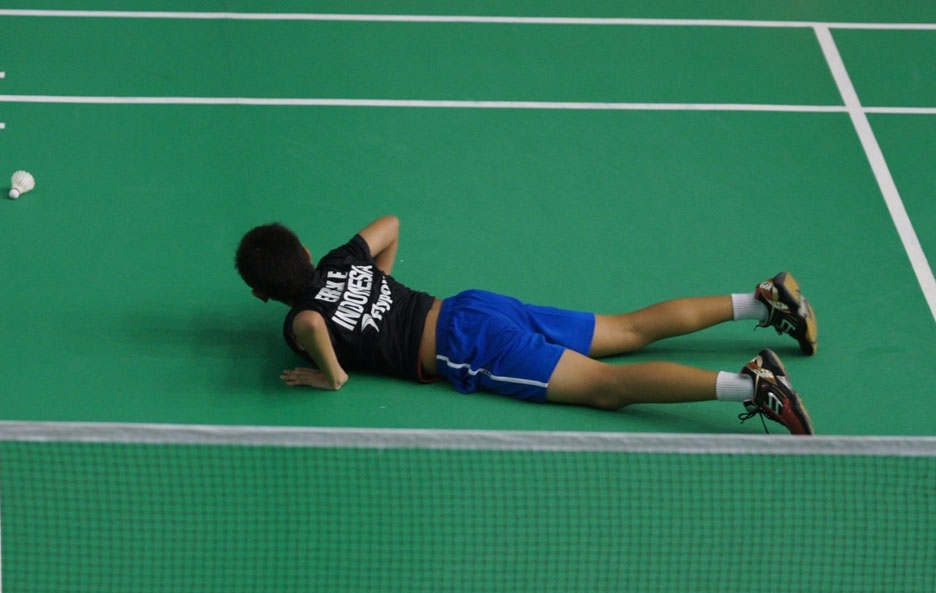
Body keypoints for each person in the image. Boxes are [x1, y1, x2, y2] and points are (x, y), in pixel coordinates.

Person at [235, 215, 817, 435]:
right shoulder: (341, 260)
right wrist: (376, 286)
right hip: (473, 306)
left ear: (262, 294)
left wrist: (328, 374)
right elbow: (390, 223)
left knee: (607, 387)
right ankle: (763, 301)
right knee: (627, 329)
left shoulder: (299, 323)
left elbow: (318, 338)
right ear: (304, 251)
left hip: (469, 347)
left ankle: (752, 386)